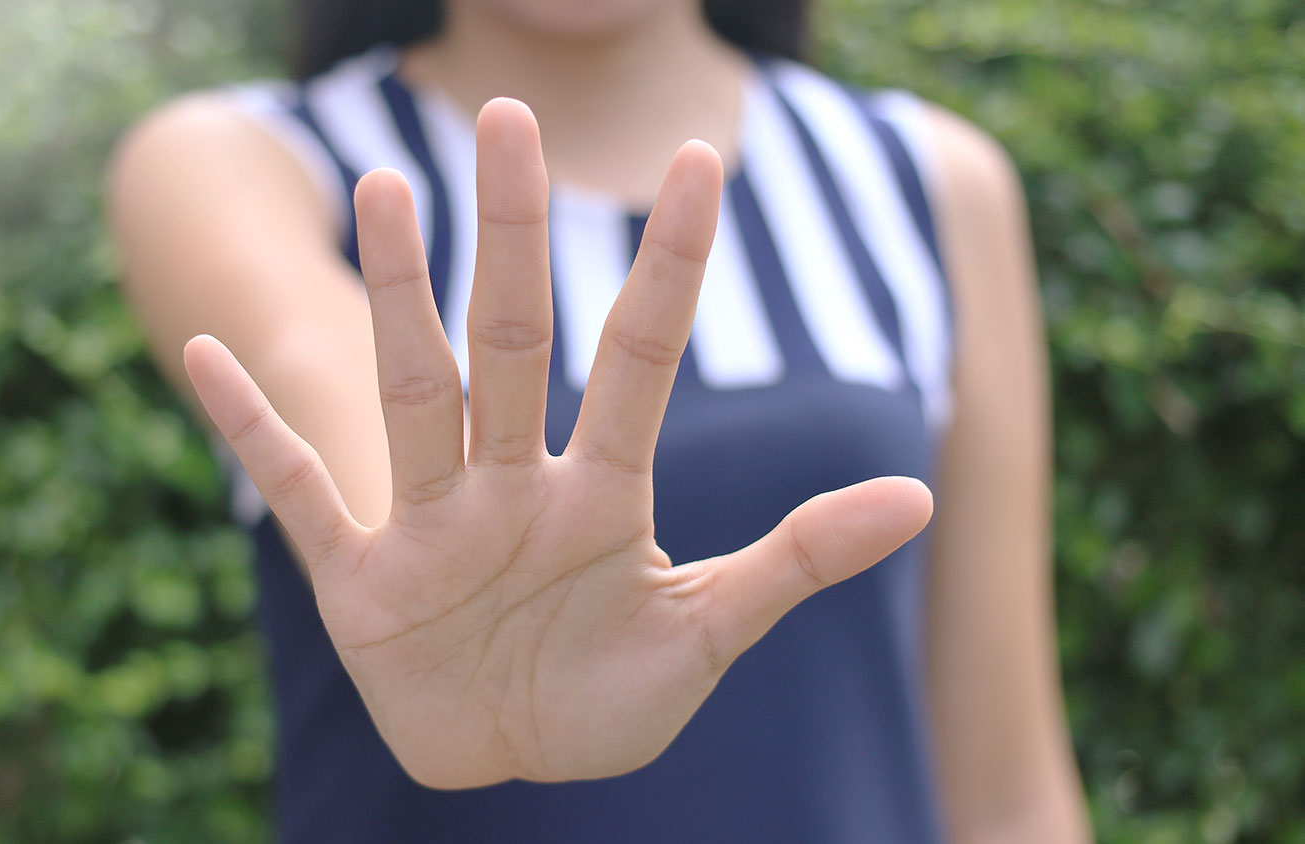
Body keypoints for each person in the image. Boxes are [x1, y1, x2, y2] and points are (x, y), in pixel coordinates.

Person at [106, 0, 1092, 840]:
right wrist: (460, 591)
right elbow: (312, 363)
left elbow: (1006, 793)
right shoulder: (251, 160)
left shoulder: (922, 179)